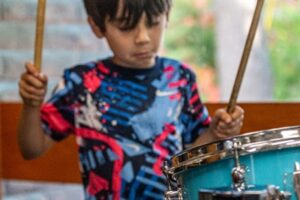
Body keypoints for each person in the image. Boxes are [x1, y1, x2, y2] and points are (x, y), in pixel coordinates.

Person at [18, 0, 244, 199]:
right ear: (96, 26)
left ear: (166, 17)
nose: (143, 38)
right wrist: (31, 105)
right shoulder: (81, 82)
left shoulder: (180, 78)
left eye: (154, 22)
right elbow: (32, 148)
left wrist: (216, 133)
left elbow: (193, 156)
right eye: (126, 26)